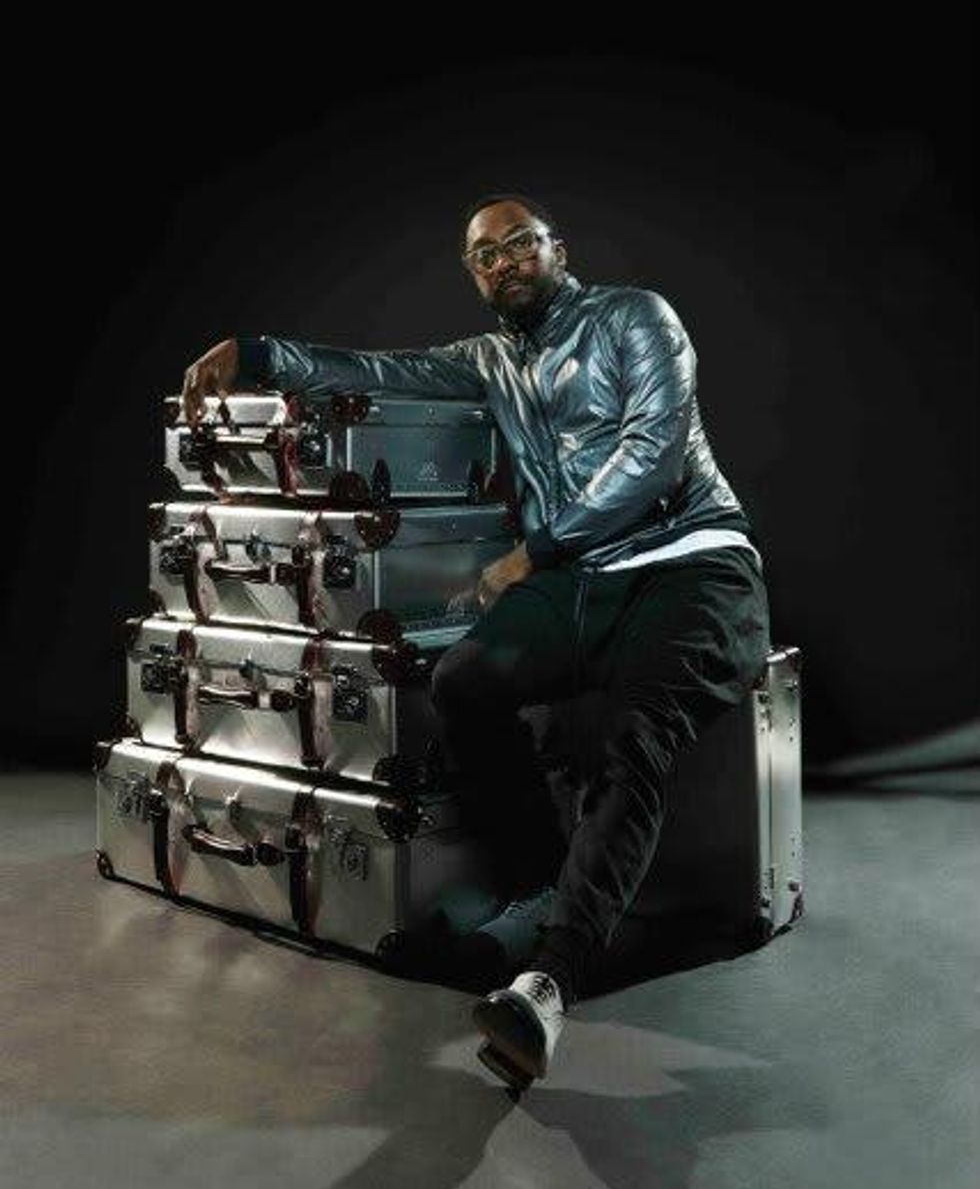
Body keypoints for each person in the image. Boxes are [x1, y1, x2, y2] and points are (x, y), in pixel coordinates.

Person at [181, 193, 771, 1094]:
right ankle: (541, 880)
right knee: (463, 682)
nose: (505, 263)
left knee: (633, 734)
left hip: (691, 562)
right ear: (474, 276)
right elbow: (372, 368)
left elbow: (652, 454)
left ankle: (548, 983)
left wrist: (534, 553)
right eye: (485, 256)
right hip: (582, 579)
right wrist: (255, 353)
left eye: (520, 243)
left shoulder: (635, 317)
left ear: (557, 247)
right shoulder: (486, 362)